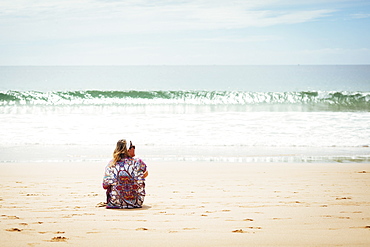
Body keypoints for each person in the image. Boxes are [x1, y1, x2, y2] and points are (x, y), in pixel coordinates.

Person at [102, 139, 148, 209]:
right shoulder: (138, 162)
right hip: (136, 202)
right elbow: (146, 173)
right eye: (133, 147)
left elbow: (105, 185)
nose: (134, 148)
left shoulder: (111, 164)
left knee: (111, 183)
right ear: (128, 150)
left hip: (116, 202)